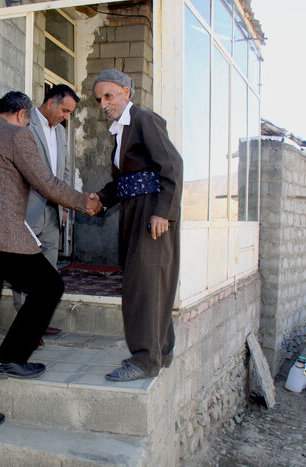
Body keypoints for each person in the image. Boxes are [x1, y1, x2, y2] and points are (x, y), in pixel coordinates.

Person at [0, 91, 102, 435]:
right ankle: (9, 358)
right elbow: (46, 183)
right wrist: (85, 203)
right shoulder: (17, 135)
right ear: (23, 115)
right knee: (50, 286)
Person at [92, 69, 183, 382]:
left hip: (151, 212)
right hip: (133, 210)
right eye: (99, 99)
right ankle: (162, 351)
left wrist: (162, 213)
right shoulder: (120, 131)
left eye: (109, 96)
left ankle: (145, 361)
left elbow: (172, 165)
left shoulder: (143, 119)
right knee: (145, 282)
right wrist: (100, 199)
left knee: (145, 286)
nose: (103, 104)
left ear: (126, 93)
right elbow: (122, 182)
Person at [13, 84, 80, 336]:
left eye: (69, 113)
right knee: (25, 267)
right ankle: (23, 328)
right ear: (50, 102)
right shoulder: (25, 124)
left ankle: (38, 321)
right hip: (28, 207)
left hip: (53, 210)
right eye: (64, 110)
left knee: (49, 266)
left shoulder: (61, 133)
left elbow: (62, 172)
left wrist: (64, 206)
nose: (66, 117)